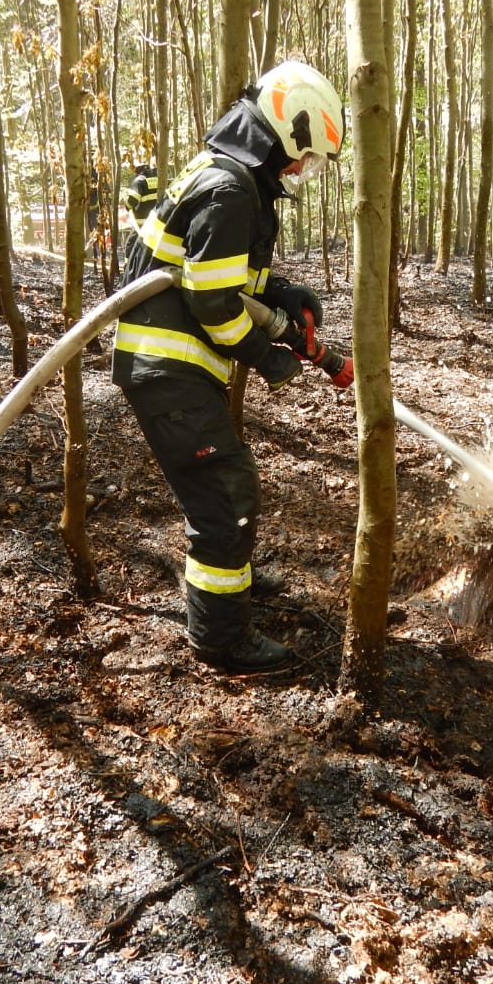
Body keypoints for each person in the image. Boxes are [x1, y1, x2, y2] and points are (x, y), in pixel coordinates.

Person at [111, 60, 345, 674]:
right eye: (305, 156)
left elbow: (220, 273)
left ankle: (229, 572)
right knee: (224, 493)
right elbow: (214, 303)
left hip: (171, 366)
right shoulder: (231, 188)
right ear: (286, 132)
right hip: (169, 367)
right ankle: (220, 639)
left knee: (225, 490)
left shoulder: (225, 174)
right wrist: (267, 356)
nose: (300, 170)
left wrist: (282, 294)